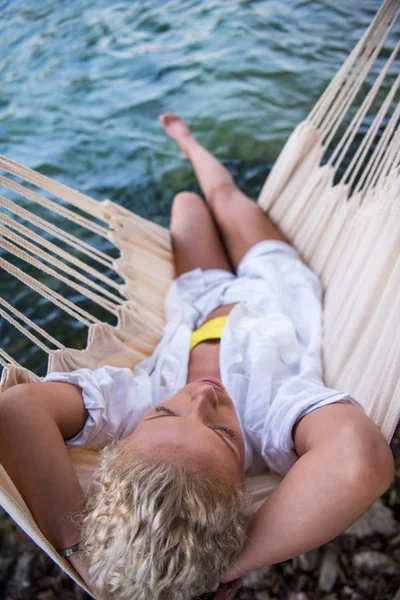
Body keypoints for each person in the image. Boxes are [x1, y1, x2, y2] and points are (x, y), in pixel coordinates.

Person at [0, 114, 394, 600]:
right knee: (223, 197)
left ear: (126, 440)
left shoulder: (132, 407)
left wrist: (76, 544)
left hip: (199, 294)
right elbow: (359, 461)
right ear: (242, 494)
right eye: (223, 434)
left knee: (186, 204)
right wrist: (234, 563)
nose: (202, 399)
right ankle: (188, 141)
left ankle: (185, 142)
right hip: (272, 281)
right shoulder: (271, 421)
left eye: (167, 411)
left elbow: (16, 411)